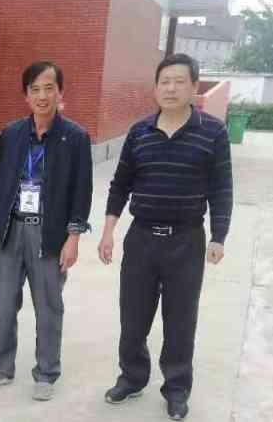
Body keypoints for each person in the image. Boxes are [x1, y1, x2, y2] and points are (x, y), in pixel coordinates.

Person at [98, 53, 233, 420]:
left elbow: (222, 187)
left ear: (194, 86)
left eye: (179, 81)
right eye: (164, 81)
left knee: (180, 321)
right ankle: (132, 377)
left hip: (186, 241)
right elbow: (120, 184)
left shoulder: (213, 132)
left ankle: (176, 388)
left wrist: (218, 236)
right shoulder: (139, 132)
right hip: (141, 239)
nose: (171, 88)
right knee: (133, 317)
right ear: (156, 88)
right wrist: (108, 231)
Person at [0, 61, 93, 401]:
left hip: (49, 233)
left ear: (60, 92)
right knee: (4, 304)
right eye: (35, 89)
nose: (42, 96)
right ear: (26, 95)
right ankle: (1, 367)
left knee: (48, 307)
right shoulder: (12, 134)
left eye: (49, 88)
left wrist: (73, 238)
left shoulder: (75, 137)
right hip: (11, 231)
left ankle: (46, 373)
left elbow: (81, 191)